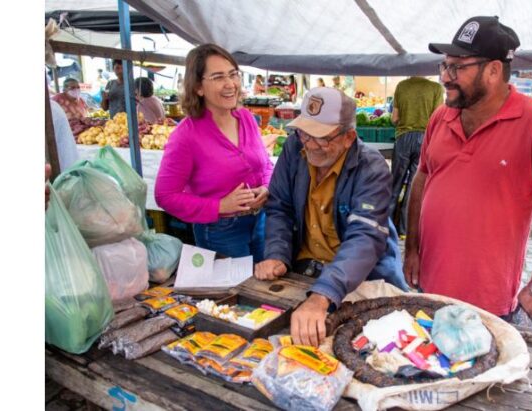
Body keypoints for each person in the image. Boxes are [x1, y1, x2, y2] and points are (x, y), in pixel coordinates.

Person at [404, 16, 532, 324]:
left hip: (489, 301)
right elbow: (422, 178)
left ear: (494, 70)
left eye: (458, 67)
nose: (446, 77)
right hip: (428, 288)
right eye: (445, 66)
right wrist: (412, 249)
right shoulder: (440, 117)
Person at [254, 87, 408, 347]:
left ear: (349, 137)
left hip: (360, 280)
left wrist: (322, 295)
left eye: (322, 137)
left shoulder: (372, 168)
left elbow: (365, 237)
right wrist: (277, 253)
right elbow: (280, 206)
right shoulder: (295, 147)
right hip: (307, 270)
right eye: (304, 133)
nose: (310, 145)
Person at [155, 44, 273, 261]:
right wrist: (220, 206)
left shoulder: (246, 118)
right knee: (236, 292)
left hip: (260, 222)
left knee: (263, 288)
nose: (230, 84)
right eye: (218, 77)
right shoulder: (186, 136)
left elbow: (265, 163)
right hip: (220, 231)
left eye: (233, 74)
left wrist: (265, 187)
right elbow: (165, 196)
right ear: (198, 87)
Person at [388, 76, 444, 236]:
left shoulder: (402, 85)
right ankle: (405, 230)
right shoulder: (436, 88)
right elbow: (438, 119)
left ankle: (387, 226)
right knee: (414, 187)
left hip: (403, 138)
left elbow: (395, 118)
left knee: (395, 183)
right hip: (425, 140)